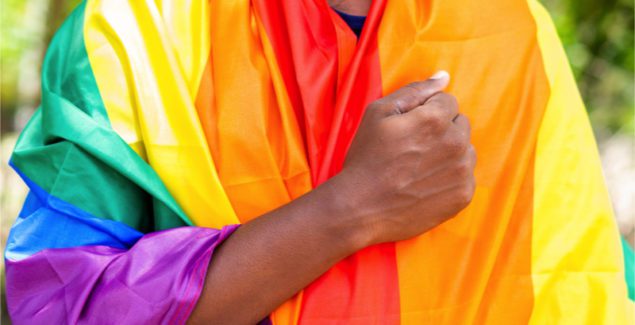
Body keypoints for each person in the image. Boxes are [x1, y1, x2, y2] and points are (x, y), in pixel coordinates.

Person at [5, 0, 632, 324]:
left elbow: (587, 276)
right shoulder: (134, 30)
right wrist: (346, 210)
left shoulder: (512, 29)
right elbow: (58, 302)